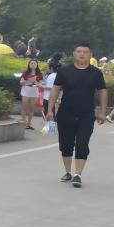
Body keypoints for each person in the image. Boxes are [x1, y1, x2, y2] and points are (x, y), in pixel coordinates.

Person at [45, 42, 108, 188]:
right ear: (74, 54)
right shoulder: (64, 71)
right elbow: (55, 90)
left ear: (90, 55)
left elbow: (103, 91)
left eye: (85, 52)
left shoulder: (96, 73)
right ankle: (68, 172)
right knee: (65, 144)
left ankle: (77, 174)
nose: (82, 54)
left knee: (82, 143)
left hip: (86, 114)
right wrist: (50, 110)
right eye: (79, 51)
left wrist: (103, 112)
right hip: (65, 113)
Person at [19, 59, 43, 130]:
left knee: (32, 108)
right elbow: (21, 82)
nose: (33, 65)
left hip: (34, 91)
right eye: (31, 63)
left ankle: (29, 123)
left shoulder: (39, 73)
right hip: (26, 90)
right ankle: (23, 122)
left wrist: (36, 82)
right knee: (24, 107)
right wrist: (28, 81)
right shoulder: (25, 73)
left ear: (37, 65)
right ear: (29, 65)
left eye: (34, 63)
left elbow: (40, 84)